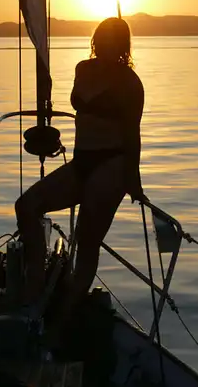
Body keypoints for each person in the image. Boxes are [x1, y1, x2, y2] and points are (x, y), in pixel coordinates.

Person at [15, 17, 145, 331]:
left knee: (87, 241)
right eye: (100, 36)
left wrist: (134, 181)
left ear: (121, 45)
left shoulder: (130, 82)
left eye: (111, 39)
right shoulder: (82, 69)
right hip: (80, 161)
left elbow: (132, 134)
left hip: (111, 163)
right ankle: (35, 282)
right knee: (26, 206)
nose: (103, 42)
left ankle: (66, 314)